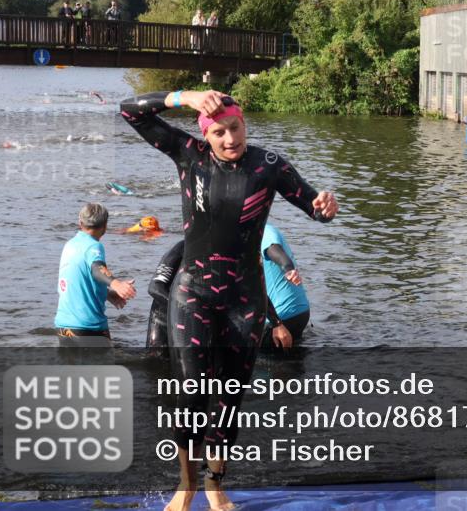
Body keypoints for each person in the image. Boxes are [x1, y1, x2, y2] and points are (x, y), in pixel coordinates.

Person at [119, 90, 337, 511]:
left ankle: (216, 487)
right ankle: (185, 486)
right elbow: (130, 111)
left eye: (235, 127)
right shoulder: (189, 155)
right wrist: (183, 97)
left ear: (244, 124)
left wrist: (327, 206)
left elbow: (316, 208)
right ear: (207, 133)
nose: (230, 138)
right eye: (219, 132)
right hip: (193, 294)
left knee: (228, 401)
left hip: (245, 301)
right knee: (191, 395)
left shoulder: (268, 166)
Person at [144, 224, 310, 356]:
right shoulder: (180, 250)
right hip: (165, 317)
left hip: (192, 318)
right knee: (159, 362)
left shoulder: (221, 256)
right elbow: (155, 288)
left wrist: (276, 323)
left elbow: (252, 289)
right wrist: (188, 312)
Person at [55, 203, 137, 346]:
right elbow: (96, 268)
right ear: (105, 226)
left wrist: (106, 294)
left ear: (80, 223)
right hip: (87, 327)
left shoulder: (70, 245)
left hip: (64, 326)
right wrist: (116, 284)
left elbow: (80, 280)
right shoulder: (93, 246)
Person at [261, 223, 311, 352]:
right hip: (299, 312)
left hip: (280, 317)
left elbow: (275, 251)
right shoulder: (265, 230)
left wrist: (288, 269)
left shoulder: (264, 233)